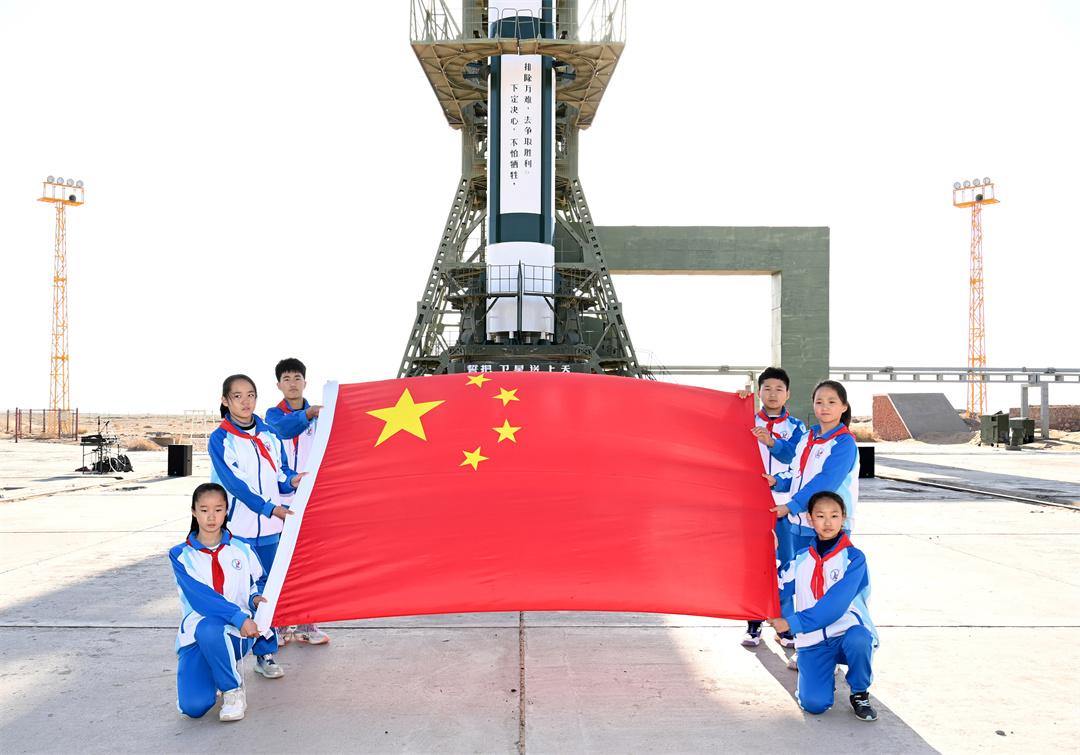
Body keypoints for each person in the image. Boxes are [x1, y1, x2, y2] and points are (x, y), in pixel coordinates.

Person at [209, 373, 303, 679]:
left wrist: (294, 480)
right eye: (237, 396)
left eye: (250, 395)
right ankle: (227, 657)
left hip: (272, 531)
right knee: (237, 594)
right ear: (225, 401)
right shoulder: (221, 439)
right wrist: (269, 508)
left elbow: (281, 472)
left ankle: (265, 654)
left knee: (268, 593)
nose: (245, 402)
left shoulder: (268, 433)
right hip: (240, 532)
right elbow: (235, 485)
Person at [768, 491, 879, 721]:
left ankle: (859, 692)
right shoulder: (801, 559)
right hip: (813, 640)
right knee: (814, 704)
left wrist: (792, 623)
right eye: (820, 516)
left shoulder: (854, 558)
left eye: (834, 515)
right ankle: (822, 676)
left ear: (843, 518)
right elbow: (776, 587)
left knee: (860, 639)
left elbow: (834, 606)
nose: (828, 522)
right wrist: (771, 554)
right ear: (810, 519)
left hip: (846, 633)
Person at [170, 482, 265, 722]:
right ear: (194, 512)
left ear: (226, 511)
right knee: (193, 707)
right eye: (204, 510)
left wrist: (254, 600)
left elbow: (259, 582)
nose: (211, 517)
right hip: (197, 634)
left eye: (218, 509)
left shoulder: (242, 548)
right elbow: (201, 597)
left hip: (237, 633)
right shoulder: (181, 555)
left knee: (210, 628)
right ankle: (215, 670)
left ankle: (232, 691)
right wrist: (238, 616)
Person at [264, 357, 328, 646]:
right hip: (282, 499)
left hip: (313, 499)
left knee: (309, 563)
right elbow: (284, 429)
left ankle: (306, 623)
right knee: (281, 562)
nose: (292, 383)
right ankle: (278, 624)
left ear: (305, 382)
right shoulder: (272, 416)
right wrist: (308, 415)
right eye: (286, 379)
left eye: (297, 378)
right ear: (279, 385)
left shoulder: (323, 416)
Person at [741, 367, 806, 649]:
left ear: (787, 394)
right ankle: (753, 624)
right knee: (754, 565)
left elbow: (794, 457)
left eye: (779, 389)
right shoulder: (745, 421)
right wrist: (735, 402)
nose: (772, 394)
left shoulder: (797, 427)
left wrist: (771, 442)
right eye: (767, 388)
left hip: (783, 507)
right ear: (759, 392)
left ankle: (784, 626)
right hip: (750, 506)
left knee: (786, 566)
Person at [765, 379, 859, 558]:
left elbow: (826, 481)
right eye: (819, 402)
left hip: (829, 526)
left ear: (844, 407)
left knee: (825, 573)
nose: (825, 407)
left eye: (832, 402)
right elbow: (796, 473)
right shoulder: (807, 437)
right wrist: (776, 481)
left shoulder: (844, 442)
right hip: (800, 524)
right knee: (800, 572)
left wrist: (792, 506)